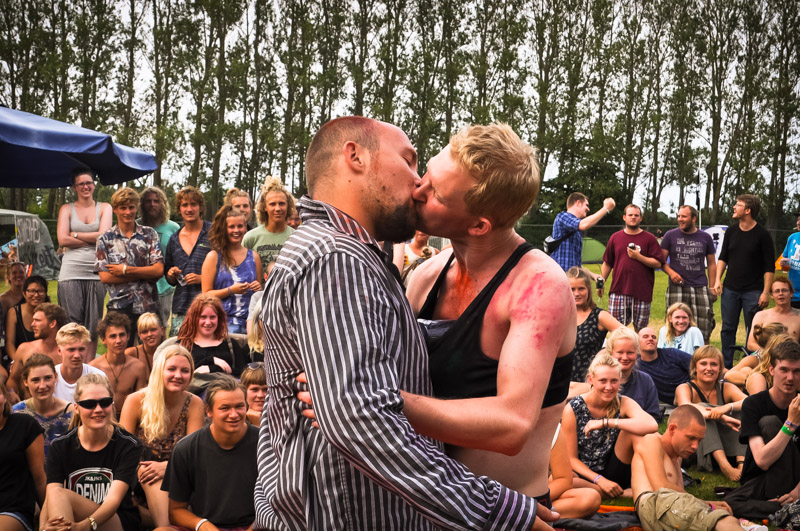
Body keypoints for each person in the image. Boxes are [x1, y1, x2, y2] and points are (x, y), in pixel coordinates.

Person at [256, 117, 557, 529]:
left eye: (433, 187)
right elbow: (356, 415)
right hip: (378, 511)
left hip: (444, 507)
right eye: (413, 163)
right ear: (355, 156)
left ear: (479, 224)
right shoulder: (347, 260)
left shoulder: (536, 283)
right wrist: (495, 510)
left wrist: (376, 400)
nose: (418, 185)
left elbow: (360, 406)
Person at [42, 373, 141, 531]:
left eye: (105, 402)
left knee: (61, 494)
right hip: (72, 520)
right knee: (57, 494)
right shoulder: (60, 446)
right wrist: (43, 527)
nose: (98, 410)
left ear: (112, 405)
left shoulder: (128, 445)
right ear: (76, 408)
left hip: (117, 521)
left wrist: (85, 526)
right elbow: (51, 495)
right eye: (89, 404)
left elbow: (113, 501)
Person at [119, 344, 203, 529]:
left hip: (179, 474)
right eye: (171, 369)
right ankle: (166, 526)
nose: (178, 375)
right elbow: (122, 451)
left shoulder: (194, 403)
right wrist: (150, 469)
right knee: (153, 475)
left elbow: (194, 454)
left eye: (185, 371)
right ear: (159, 371)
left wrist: (168, 467)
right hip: (140, 473)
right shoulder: (136, 400)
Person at [162, 375, 258, 530]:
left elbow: (278, 503)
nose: (234, 414)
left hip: (254, 525)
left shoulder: (265, 444)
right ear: (208, 411)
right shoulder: (186, 448)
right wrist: (202, 525)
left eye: (239, 406)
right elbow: (175, 511)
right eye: (225, 408)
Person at [562, 352, 658, 499]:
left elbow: (651, 425)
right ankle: (623, 493)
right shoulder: (573, 408)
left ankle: (648, 483)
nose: (609, 387)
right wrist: (599, 479)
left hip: (615, 470)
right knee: (567, 479)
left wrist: (606, 422)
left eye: (614, 381)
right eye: (603, 381)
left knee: (635, 432)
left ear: (620, 380)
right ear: (591, 380)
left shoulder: (623, 402)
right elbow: (571, 459)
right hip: (585, 474)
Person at [723, 340, 800, 521]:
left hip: (794, 477)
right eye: (784, 370)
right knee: (729, 503)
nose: (790, 377)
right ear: (771, 370)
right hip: (761, 476)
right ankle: (785, 507)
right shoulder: (754, 404)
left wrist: (797, 491)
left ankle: (781, 505)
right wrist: (790, 424)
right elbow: (762, 461)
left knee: (770, 422)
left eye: (796, 371)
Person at [631, 405, 740, 531]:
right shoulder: (652, 440)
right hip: (654, 503)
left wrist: (707, 504)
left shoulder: (678, 458)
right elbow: (661, 487)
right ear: (672, 429)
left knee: (726, 520)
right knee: (723, 521)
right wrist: (706, 503)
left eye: (699, 441)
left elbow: (679, 499)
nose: (695, 446)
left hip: (667, 508)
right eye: (691, 438)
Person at [95, 186, 165, 345]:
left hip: (148, 304)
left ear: (137, 208)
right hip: (119, 305)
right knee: (119, 350)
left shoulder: (149, 234)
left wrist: (125, 270)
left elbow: (158, 270)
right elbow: (105, 277)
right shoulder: (105, 239)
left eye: (131, 207)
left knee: (150, 350)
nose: (128, 212)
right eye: (123, 208)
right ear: (115, 209)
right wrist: (144, 273)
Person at [715, 194, 776, 368]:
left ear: (748, 210)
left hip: (753, 291)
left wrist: (765, 292)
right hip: (730, 289)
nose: (734, 207)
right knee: (728, 328)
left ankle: (751, 365)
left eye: (738, 204)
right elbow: (723, 257)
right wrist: (718, 280)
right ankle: (726, 366)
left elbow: (769, 267)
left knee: (753, 330)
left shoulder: (763, 235)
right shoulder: (731, 231)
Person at [57, 168, 113, 356]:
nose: (85, 187)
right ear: (74, 187)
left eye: (89, 182)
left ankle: (88, 365)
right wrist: (92, 240)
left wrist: (74, 234)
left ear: (94, 185)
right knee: (71, 324)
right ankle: (72, 363)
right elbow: (62, 240)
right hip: (70, 272)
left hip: (96, 272)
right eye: (81, 184)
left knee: (93, 324)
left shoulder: (105, 208)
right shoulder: (66, 209)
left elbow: (104, 236)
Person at [674, 345, 747, 480]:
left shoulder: (726, 387)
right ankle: (725, 467)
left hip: (726, 444)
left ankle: (742, 464)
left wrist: (727, 407)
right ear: (695, 367)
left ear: (720, 369)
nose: (709, 368)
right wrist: (721, 417)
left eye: (714, 364)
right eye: (703, 364)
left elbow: (750, 402)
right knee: (701, 412)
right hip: (697, 447)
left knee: (741, 410)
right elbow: (686, 406)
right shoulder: (685, 388)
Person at [600, 205, 664, 331]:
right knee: (617, 330)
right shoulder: (615, 237)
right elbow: (607, 263)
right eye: (630, 215)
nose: (633, 217)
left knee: (641, 331)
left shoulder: (649, 238)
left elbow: (658, 263)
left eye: (636, 215)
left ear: (640, 218)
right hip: (619, 290)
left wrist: (639, 257)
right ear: (624, 217)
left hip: (642, 292)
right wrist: (601, 282)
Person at [660, 205, 718, 342]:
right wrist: (671, 273)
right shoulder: (670, 236)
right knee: (674, 327)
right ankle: (675, 352)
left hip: (700, 286)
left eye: (684, 216)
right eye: (679, 216)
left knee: (704, 327)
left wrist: (712, 287)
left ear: (693, 218)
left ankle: (702, 353)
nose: (680, 219)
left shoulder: (705, 237)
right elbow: (660, 261)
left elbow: (711, 263)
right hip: (677, 287)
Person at [201, 205, 262, 334]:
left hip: (250, 325)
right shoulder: (214, 257)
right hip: (222, 325)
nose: (236, 230)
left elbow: (259, 294)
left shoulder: (254, 257)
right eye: (231, 227)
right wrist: (230, 290)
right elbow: (205, 295)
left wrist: (258, 288)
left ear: (245, 228)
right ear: (224, 229)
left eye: (240, 226)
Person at [164, 186, 212, 336]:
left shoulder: (213, 233)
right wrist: (171, 274)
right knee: (179, 347)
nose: (189, 209)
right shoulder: (174, 239)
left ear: (200, 207)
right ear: (179, 209)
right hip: (181, 308)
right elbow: (169, 278)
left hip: (209, 308)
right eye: (185, 205)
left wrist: (203, 279)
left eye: (193, 204)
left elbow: (227, 269)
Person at [0, 380, 46, 531]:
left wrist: (49, 516)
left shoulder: (24, 425)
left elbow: (39, 478)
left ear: (4, 396)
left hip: (12, 509)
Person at [567, 266, 622, 381]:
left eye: (581, 289)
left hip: (588, 382)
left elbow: (628, 336)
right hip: (560, 382)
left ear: (588, 289)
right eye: (572, 289)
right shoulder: (560, 315)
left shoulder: (599, 316)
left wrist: (607, 350)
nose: (576, 293)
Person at [172, 295, 249, 377]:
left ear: (219, 318)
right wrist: (211, 360)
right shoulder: (183, 345)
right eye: (203, 317)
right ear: (194, 318)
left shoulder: (231, 345)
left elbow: (242, 374)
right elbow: (181, 373)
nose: (208, 322)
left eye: (212, 317)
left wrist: (213, 369)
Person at [12, 354, 72, 455]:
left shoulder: (72, 413)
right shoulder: (16, 413)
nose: (42, 386)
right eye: (35, 380)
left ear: (56, 377)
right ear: (25, 382)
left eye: (48, 378)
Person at [139, 186, 181, 331]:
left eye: (156, 201)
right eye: (148, 201)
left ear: (163, 203)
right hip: (139, 286)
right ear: (142, 204)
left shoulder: (173, 227)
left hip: (164, 286)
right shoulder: (136, 225)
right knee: (141, 327)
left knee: (161, 326)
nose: (152, 204)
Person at [90, 313, 148, 411]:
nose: (118, 340)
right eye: (113, 336)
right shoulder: (93, 368)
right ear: (103, 340)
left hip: (130, 415)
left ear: (128, 336)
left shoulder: (138, 368)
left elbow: (141, 404)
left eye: (122, 335)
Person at [8, 302, 68, 398]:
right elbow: (12, 380)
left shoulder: (69, 352)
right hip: (31, 405)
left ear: (52, 323)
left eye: (37, 320)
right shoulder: (24, 349)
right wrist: (11, 392)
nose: (32, 324)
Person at [551, 192, 616, 272]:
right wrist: (605, 208)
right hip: (561, 275)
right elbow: (583, 225)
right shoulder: (562, 216)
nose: (588, 209)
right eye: (586, 205)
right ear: (578, 203)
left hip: (572, 277)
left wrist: (594, 275)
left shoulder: (576, 231)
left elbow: (577, 265)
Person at [607, 327, 661, 421]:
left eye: (630, 353)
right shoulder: (601, 380)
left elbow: (653, 417)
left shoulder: (645, 380)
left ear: (637, 353)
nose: (625, 357)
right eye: (620, 352)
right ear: (611, 353)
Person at [549, 425, 601, 519]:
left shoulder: (553, 430)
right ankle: (531, 511)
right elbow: (572, 459)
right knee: (574, 480)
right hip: (522, 497)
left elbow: (563, 480)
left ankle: (532, 510)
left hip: (539, 494)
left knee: (590, 498)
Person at [243, 176, 295, 266]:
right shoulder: (250, 238)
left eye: (281, 203)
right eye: (272, 204)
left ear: (288, 205)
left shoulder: (296, 237)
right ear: (264, 207)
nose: (277, 208)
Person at [636, 327, 691, 405]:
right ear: (637, 343)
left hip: (693, 391)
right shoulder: (636, 367)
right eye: (645, 336)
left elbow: (697, 364)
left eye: (654, 337)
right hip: (672, 404)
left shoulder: (672, 353)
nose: (650, 339)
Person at [53, 323, 106, 402]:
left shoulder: (99, 377)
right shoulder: (49, 378)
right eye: (71, 350)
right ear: (59, 351)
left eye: (81, 349)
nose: (77, 355)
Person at [746, 275, 800, 352]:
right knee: (747, 360)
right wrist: (770, 353)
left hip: (790, 356)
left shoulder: (798, 317)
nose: (781, 293)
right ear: (771, 295)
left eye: (784, 290)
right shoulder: (761, 315)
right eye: (777, 291)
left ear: (791, 293)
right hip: (763, 354)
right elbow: (750, 344)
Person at [726, 321, 787, 388]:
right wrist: (755, 380)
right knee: (746, 370)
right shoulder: (756, 358)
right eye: (785, 341)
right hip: (758, 389)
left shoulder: (788, 356)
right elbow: (729, 375)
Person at [5, 275, 49, 363]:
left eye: (40, 291)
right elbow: (10, 343)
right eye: (32, 291)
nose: (36, 295)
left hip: (46, 360)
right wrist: (17, 361)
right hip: (20, 359)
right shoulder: (14, 313)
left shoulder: (50, 313)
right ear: (24, 293)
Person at [124, 312, 165, 378]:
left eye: (153, 330)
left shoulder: (169, 353)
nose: (149, 334)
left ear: (162, 330)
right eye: (144, 332)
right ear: (139, 335)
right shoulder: (130, 354)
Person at [780, 211, 800, 309]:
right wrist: (784, 264)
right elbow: (786, 266)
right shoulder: (792, 238)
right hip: (792, 295)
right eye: (798, 220)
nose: (798, 223)